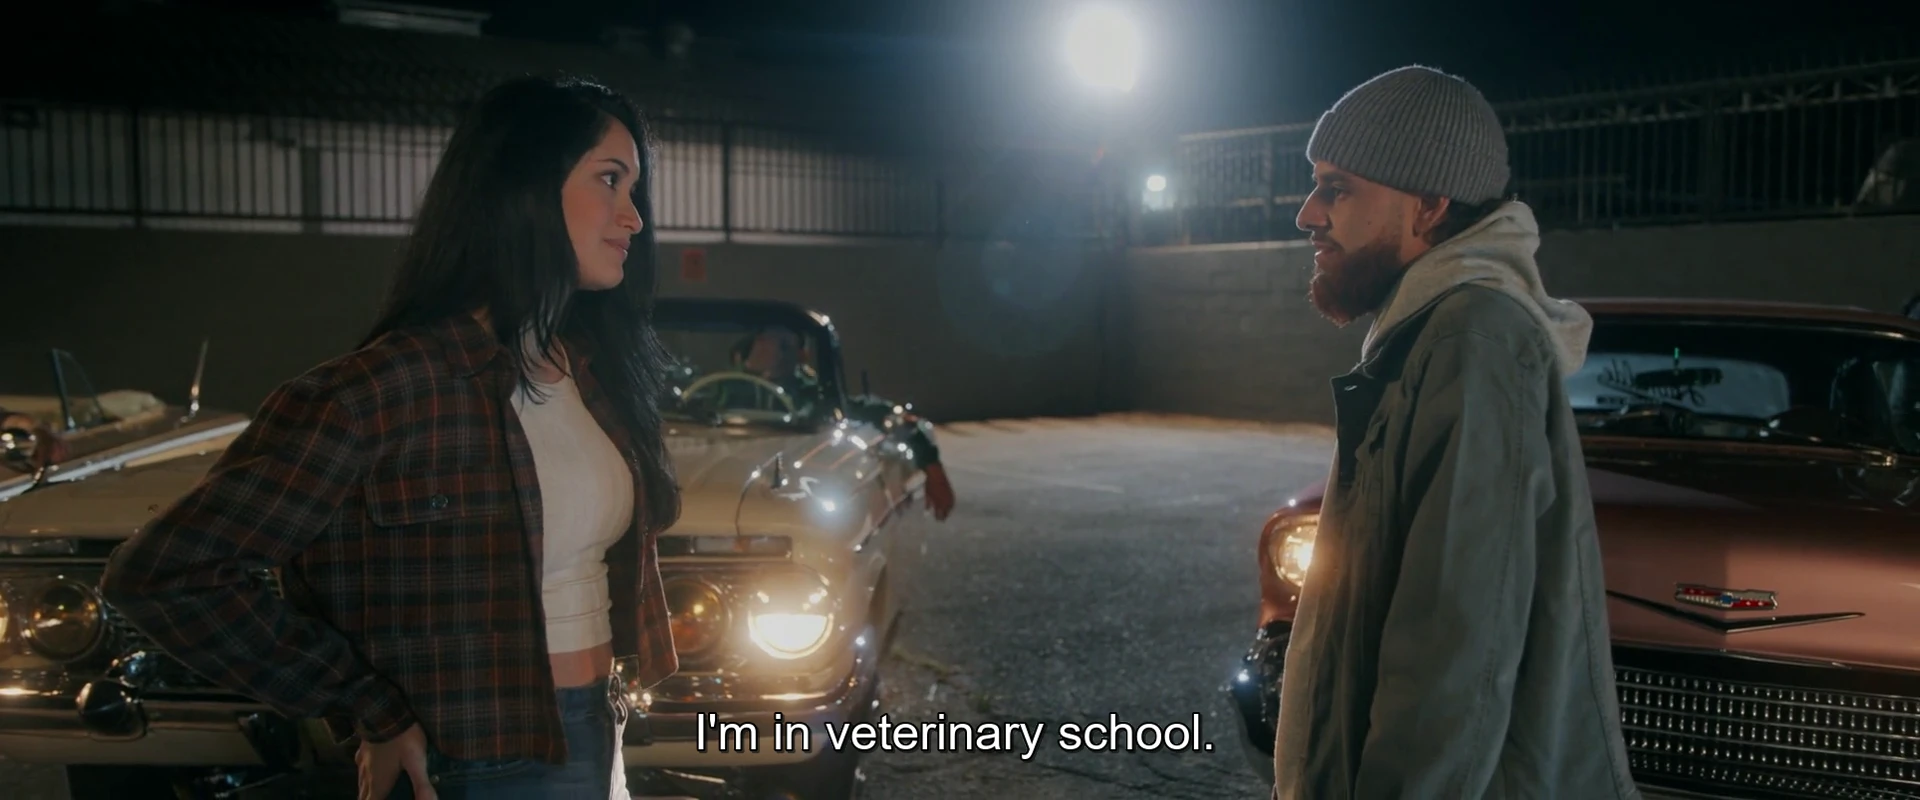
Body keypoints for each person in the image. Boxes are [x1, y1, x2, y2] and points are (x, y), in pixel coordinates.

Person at [99, 75, 683, 800]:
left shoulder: (589, 372)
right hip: (472, 762)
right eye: (610, 179)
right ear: (524, 187)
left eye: (634, 189)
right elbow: (164, 573)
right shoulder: (382, 390)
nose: (634, 218)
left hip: (598, 725)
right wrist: (364, 703)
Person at [1271, 65, 1639, 799]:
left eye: (1338, 188)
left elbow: (1454, 653)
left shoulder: (1474, 340)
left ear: (1430, 205)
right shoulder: (1430, 330)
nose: (1308, 214)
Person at [724, 328, 957, 521]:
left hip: (787, 483)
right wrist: (749, 369)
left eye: (784, 345)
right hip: (729, 473)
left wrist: (932, 466)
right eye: (765, 342)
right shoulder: (723, 390)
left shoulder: (815, 397)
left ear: (801, 355)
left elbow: (882, 413)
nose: (773, 352)